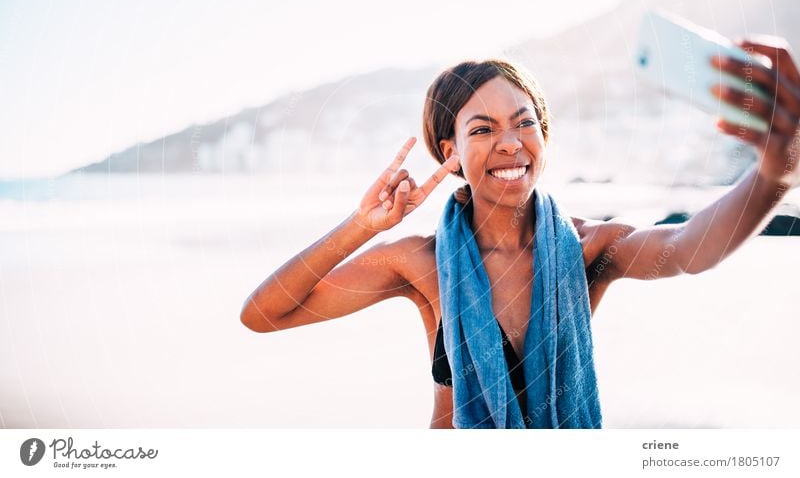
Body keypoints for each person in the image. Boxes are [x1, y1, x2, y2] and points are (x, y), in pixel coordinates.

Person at [240, 38, 800, 429]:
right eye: (482, 129)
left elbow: (686, 250)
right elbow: (264, 314)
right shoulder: (420, 263)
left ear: (543, 135)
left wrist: (778, 171)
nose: (509, 143)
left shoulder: (587, 249)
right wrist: (363, 226)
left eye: (524, 122)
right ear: (450, 153)